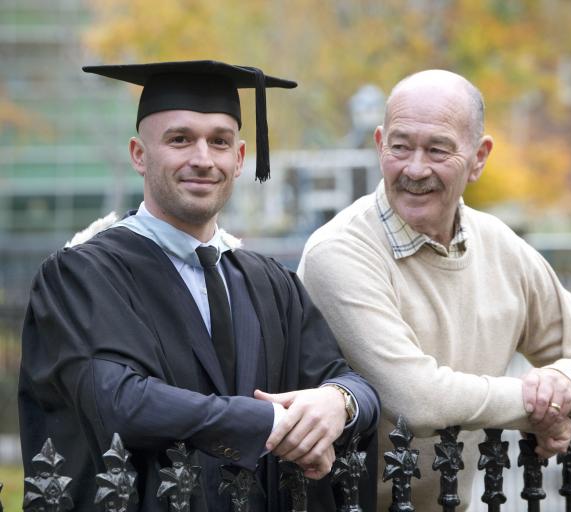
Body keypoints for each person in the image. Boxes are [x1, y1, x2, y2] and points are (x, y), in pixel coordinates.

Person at [19, 60, 380, 512]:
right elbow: (118, 402)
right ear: (138, 154)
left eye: (220, 142)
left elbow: (347, 379)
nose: (203, 159)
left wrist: (339, 402)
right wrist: (264, 421)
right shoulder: (83, 275)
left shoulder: (268, 281)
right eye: (180, 139)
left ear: (241, 158)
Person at [297, 69, 571, 511]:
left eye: (438, 149)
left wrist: (566, 383)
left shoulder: (503, 248)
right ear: (379, 144)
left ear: (479, 157)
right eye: (400, 146)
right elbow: (416, 400)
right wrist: (536, 410)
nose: (415, 168)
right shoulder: (339, 252)